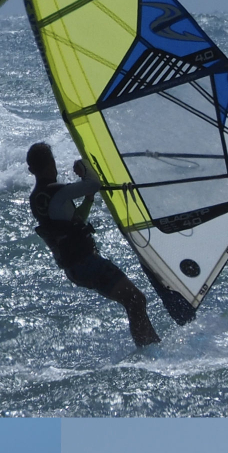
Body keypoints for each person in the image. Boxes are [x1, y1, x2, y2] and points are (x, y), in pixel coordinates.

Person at [26, 142, 160, 346]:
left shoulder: (35, 200)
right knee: (135, 300)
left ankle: (151, 345)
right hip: (86, 263)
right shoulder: (55, 191)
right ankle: (149, 349)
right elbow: (93, 183)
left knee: (133, 301)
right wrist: (84, 167)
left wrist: (88, 201)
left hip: (75, 268)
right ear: (51, 164)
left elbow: (74, 220)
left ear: (31, 170)